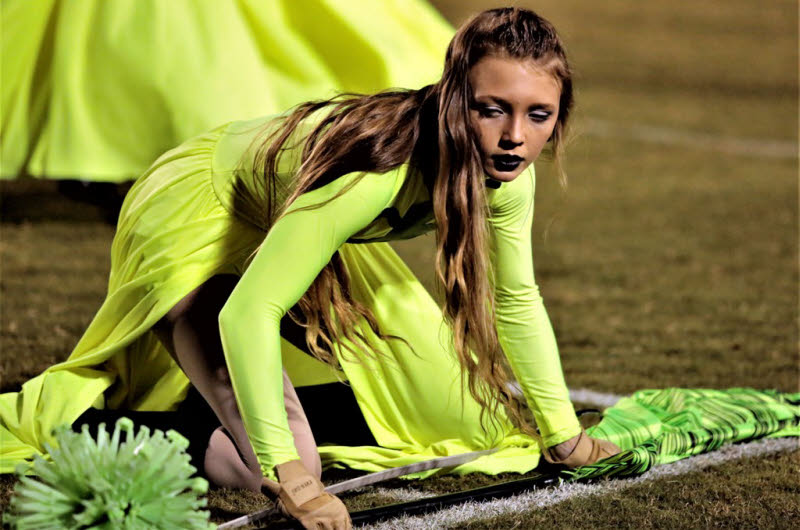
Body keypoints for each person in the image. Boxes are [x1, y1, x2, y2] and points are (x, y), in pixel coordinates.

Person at [0, 8, 621, 529]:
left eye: (538, 115)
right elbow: (249, 311)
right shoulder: (375, 170)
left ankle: (214, 403)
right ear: (455, 101)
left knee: (441, 403)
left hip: (276, 215)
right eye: (492, 109)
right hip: (193, 212)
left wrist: (563, 435)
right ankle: (83, 428)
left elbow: (514, 299)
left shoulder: (507, 179)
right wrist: (289, 474)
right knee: (277, 464)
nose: (515, 136)